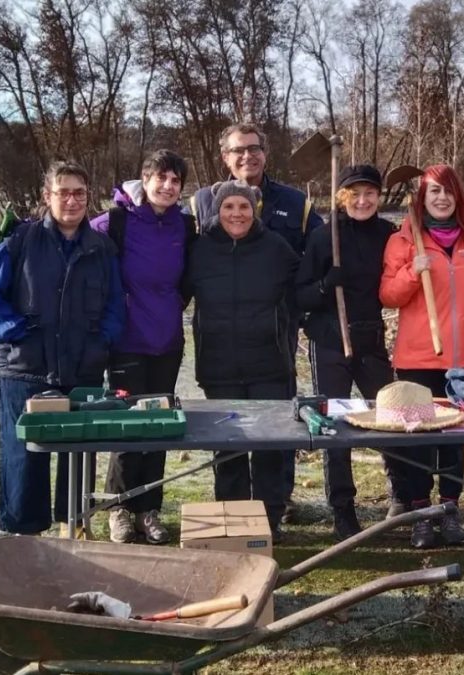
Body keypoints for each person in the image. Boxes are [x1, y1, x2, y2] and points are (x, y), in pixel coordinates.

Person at [0, 161, 125, 536]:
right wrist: (17, 333)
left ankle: (73, 527)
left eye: (79, 193)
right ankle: (23, 538)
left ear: (89, 197)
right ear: (47, 197)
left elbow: (115, 306)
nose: (72, 201)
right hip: (25, 370)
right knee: (23, 457)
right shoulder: (19, 241)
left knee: (79, 456)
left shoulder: (101, 248)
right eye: (63, 192)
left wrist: (100, 342)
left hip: (81, 369)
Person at [192, 122, 324, 524]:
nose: (246, 156)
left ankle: (274, 508)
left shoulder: (294, 205)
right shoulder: (199, 205)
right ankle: (232, 515)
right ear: (225, 158)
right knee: (227, 439)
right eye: (238, 150)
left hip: (274, 341)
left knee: (274, 433)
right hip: (218, 348)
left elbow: (315, 258)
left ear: (265, 153)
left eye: (254, 148)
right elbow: (173, 266)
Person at [182, 180, 299, 539]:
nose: (237, 214)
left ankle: (269, 517)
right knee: (228, 447)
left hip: (269, 362)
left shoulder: (275, 248)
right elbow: (175, 293)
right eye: (229, 207)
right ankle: (231, 514)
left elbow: (301, 290)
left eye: (244, 207)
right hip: (219, 365)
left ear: (254, 210)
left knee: (270, 446)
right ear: (218, 210)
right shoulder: (200, 250)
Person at [90, 150, 196, 545]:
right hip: (126, 341)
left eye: (175, 181)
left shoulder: (184, 226)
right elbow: (74, 240)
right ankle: (119, 507)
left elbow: (188, 278)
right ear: (144, 179)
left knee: (160, 424)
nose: (167, 187)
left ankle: (149, 508)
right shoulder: (115, 221)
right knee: (128, 425)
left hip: (167, 340)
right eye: (161, 178)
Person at [294, 164, 403, 541]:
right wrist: (326, 285)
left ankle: (400, 497)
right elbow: (300, 294)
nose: (362, 200)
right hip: (329, 341)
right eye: (354, 194)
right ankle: (342, 508)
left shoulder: (389, 235)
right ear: (342, 197)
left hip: (370, 340)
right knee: (334, 426)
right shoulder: (325, 238)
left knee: (391, 417)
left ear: (378, 196)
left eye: (369, 193)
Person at [380, 164, 464, 549]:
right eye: (433, 191)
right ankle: (421, 513)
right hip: (418, 357)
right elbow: (388, 295)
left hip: (463, 356)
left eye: (448, 191)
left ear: (458, 196)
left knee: (454, 438)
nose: (441, 197)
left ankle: (450, 509)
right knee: (419, 437)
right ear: (422, 198)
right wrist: (412, 270)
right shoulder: (404, 240)